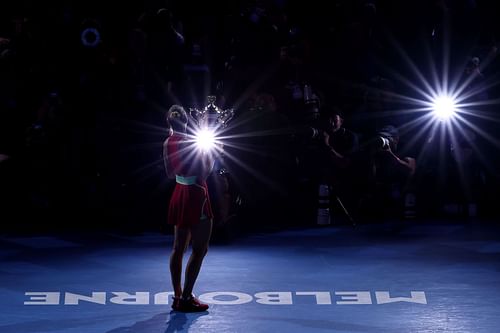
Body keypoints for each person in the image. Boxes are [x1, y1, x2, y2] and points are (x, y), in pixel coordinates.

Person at [163, 104, 215, 312]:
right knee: (200, 249)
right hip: (196, 194)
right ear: (186, 121)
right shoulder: (194, 141)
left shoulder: (168, 142)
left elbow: (169, 175)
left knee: (178, 248)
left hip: (179, 192)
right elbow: (205, 172)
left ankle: (177, 295)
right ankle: (186, 297)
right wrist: (212, 151)